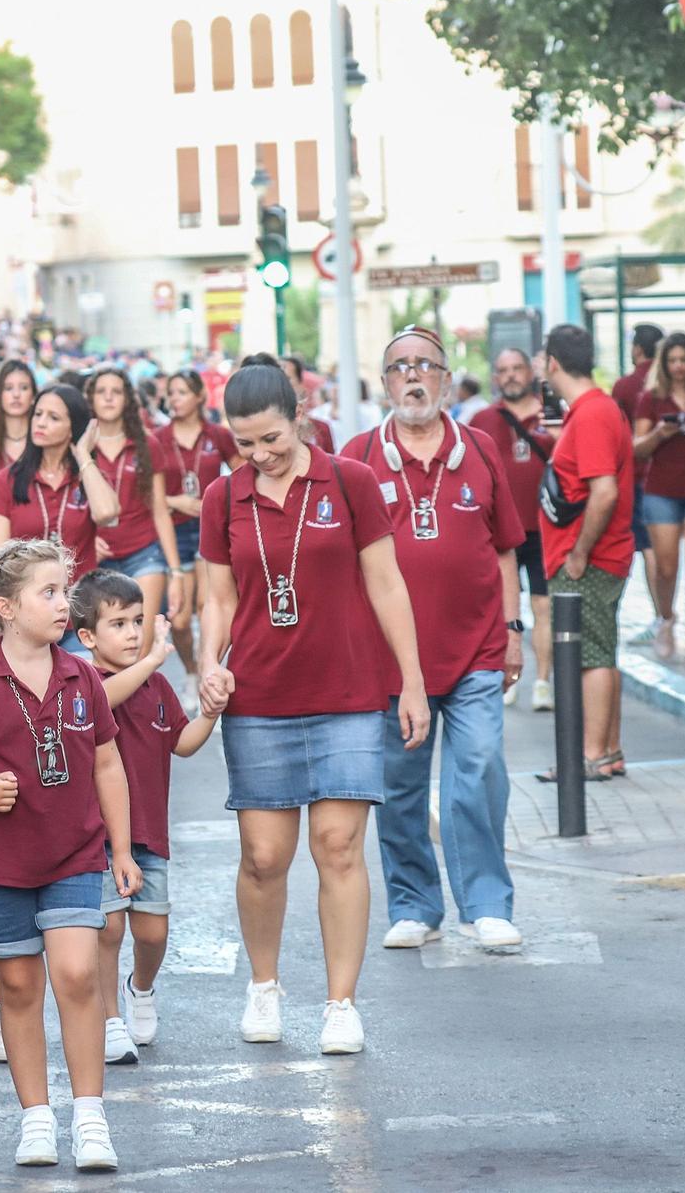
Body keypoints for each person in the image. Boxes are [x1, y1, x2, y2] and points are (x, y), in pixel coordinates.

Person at [196, 363, 428, 1056]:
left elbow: (386, 584)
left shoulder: (349, 482)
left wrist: (410, 680)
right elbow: (217, 596)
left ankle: (340, 1002)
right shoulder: (223, 497)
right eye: (244, 444)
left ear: (298, 415)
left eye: (269, 437)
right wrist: (209, 664)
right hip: (258, 695)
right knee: (264, 856)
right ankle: (264, 984)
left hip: (347, 694)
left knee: (339, 847)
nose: (259, 454)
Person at [0, 539, 139, 1172]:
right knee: (16, 985)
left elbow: (107, 762)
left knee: (75, 974)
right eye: (50, 593)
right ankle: (36, 1118)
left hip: (75, 853)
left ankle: (90, 1116)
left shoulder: (82, 674)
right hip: (1, 864)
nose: (64, 604)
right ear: (5, 608)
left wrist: (120, 849)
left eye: (64, 591)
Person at [341, 327, 527, 953]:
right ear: (385, 382)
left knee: (477, 769)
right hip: (392, 662)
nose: (413, 376)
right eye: (400, 367)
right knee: (400, 786)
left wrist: (514, 631)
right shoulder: (359, 456)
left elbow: (504, 550)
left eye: (425, 366)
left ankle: (486, 904)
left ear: (447, 380)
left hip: (476, 649)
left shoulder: (479, 449)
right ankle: (416, 903)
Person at [70, 571, 221, 1060]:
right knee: (108, 929)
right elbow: (102, 701)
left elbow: (182, 743)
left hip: (149, 834)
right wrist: (156, 657)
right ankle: (110, 1019)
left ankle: (142, 987)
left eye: (138, 621)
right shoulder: (80, 678)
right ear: (88, 636)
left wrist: (211, 713)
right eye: (118, 624)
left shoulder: (157, 686)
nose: (133, 633)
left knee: (152, 931)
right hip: (96, 836)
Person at [539, 325, 635, 781]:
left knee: (590, 657)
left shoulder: (593, 413)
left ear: (551, 362)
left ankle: (591, 755)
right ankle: (608, 751)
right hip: (599, 555)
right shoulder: (591, 411)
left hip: (589, 559)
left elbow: (604, 492)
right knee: (602, 651)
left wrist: (578, 554)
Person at [631, 331, 685, 666]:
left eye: (684, 360)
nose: (679, 366)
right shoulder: (651, 398)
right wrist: (660, 433)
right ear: (664, 365)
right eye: (673, 361)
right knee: (666, 566)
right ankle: (666, 618)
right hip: (661, 490)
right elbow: (636, 448)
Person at [475, 349, 558, 712]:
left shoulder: (551, 417)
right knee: (505, 610)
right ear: (495, 377)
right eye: (503, 370)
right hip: (498, 533)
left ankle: (542, 681)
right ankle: (508, 677)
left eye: (516, 369)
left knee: (544, 606)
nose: (510, 376)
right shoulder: (482, 419)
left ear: (530, 373)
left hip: (543, 528)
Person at [153, 371, 237, 705]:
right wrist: (177, 501)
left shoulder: (218, 435)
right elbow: (148, 493)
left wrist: (215, 501)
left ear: (200, 396)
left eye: (182, 391)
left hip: (209, 527)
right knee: (181, 618)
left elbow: (244, 473)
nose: (174, 398)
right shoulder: (158, 438)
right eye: (171, 392)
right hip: (173, 530)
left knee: (207, 604)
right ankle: (191, 670)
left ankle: (209, 674)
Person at [0, 384, 121, 586]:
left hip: (80, 601)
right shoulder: (6, 480)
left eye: (53, 418)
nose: (41, 423)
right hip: (26, 600)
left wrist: (83, 453)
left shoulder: (90, 476)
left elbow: (107, 513)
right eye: (38, 414)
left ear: (72, 428)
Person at [83, 367, 180, 619]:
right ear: (91, 398)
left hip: (144, 552)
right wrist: (86, 541)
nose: (108, 397)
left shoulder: (147, 444)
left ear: (127, 399)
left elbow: (159, 510)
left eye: (116, 392)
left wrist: (176, 571)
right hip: (96, 558)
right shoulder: (80, 446)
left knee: (139, 643)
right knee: (107, 648)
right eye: (101, 392)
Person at [612, 322, 663, 644]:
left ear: (637, 348)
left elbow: (617, 435)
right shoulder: (670, 384)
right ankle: (670, 619)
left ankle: (662, 617)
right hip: (674, 477)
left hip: (639, 477)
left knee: (649, 549)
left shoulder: (626, 387)